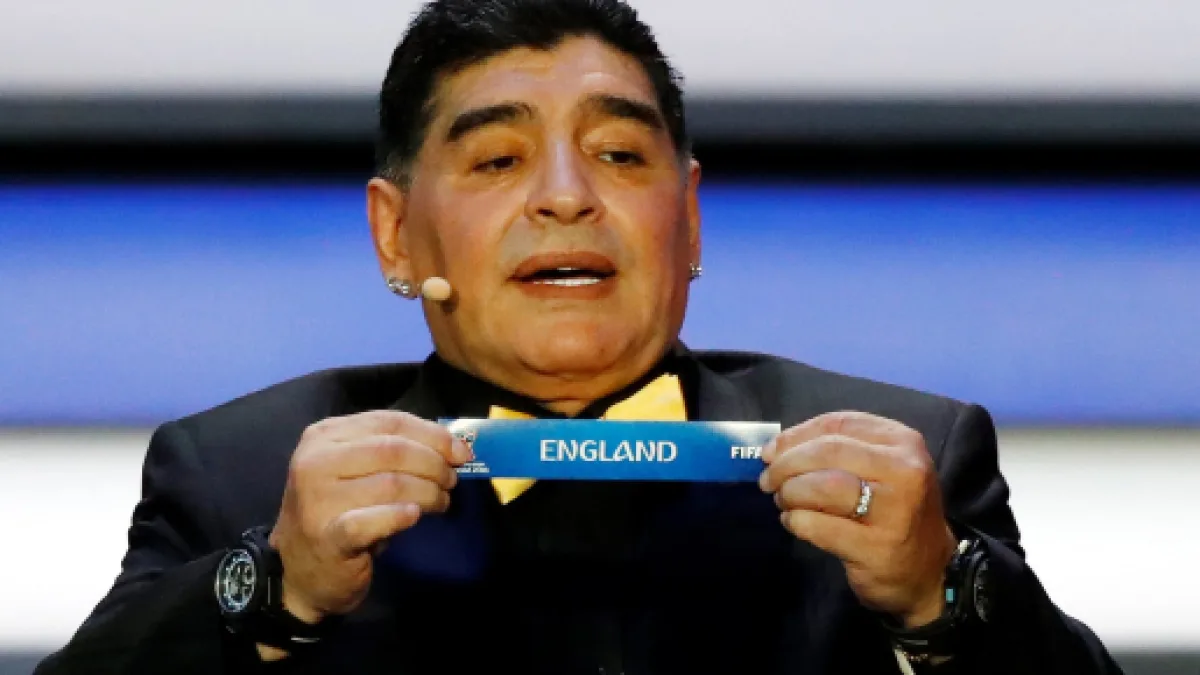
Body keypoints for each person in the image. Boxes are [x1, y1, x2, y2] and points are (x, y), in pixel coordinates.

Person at [36, 1, 1123, 673]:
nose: (566, 196)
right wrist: (269, 591)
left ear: (689, 221)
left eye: (619, 154)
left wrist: (942, 595)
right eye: (498, 160)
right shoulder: (240, 470)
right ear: (395, 235)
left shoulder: (906, 461)